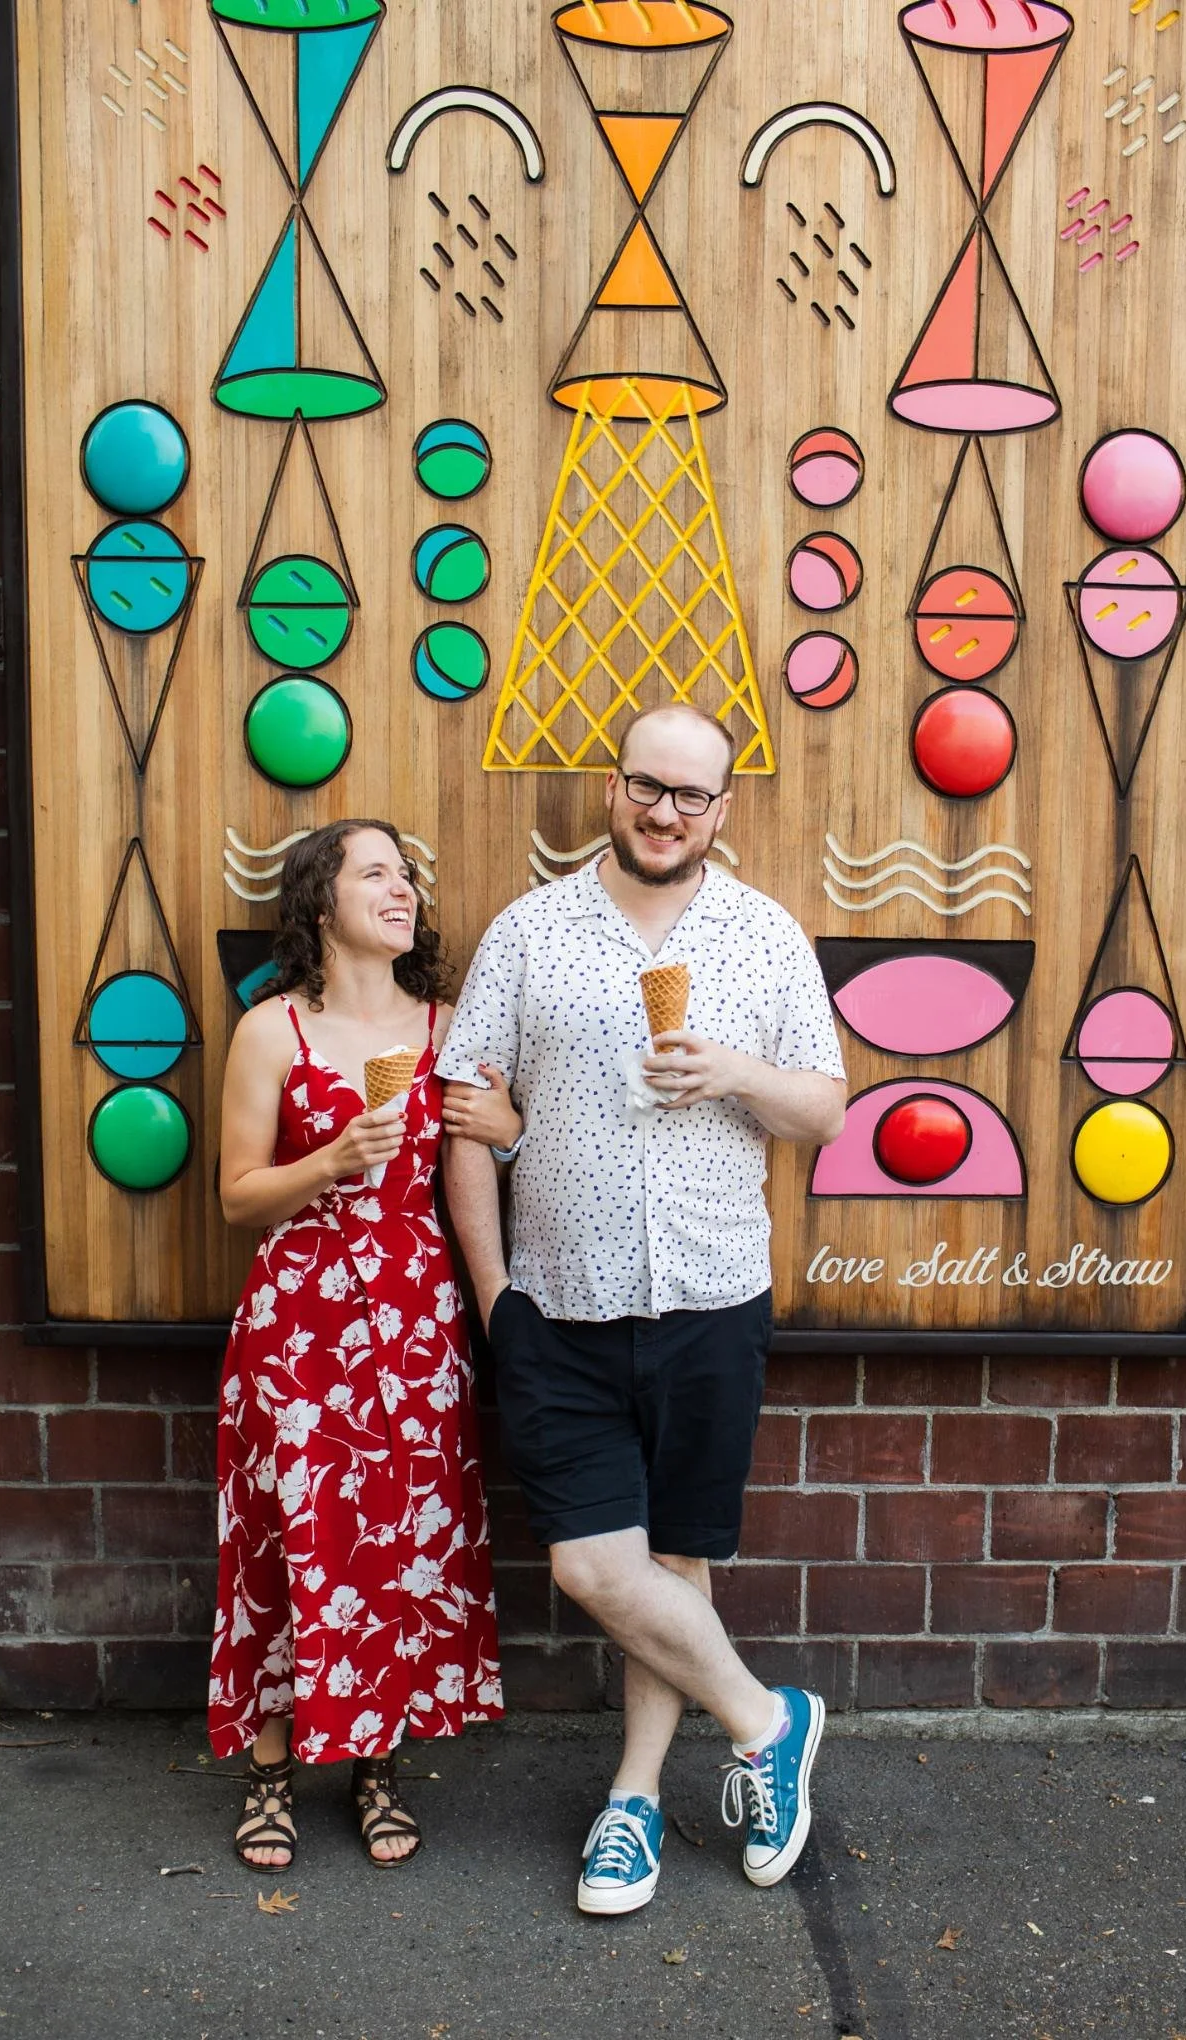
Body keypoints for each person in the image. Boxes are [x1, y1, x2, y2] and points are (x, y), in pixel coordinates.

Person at [440, 704, 847, 1916]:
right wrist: (496, 1296)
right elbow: (469, 1115)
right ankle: (770, 1722)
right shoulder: (529, 932)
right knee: (589, 1566)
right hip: (558, 1305)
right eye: (645, 786)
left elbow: (822, 1109)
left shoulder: (763, 937)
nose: (664, 811)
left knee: (677, 1561)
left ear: (723, 809)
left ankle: (631, 1805)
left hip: (711, 1296)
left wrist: (731, 1072)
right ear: (613, 789)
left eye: (691, 795)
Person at [210, 819, 516, 1871]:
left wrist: (506, 1120)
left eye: (407, 877)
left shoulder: (445, 1026)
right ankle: (269, 1772)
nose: (401, 891)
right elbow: (238, 1195)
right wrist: (335, 1157)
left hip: (415, 1315)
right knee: (286, 1534)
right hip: (298, 1320)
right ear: (320, 900)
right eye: (374, 873)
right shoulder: (271, 1033)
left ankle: (378, 1765)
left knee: (396, 1540)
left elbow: (505, 1138)